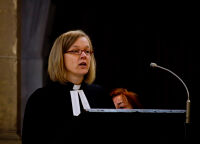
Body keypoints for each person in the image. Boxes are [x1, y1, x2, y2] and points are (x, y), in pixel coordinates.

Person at [22, 30, 115, 144]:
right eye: (76, 51)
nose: (83, 56)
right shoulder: (41, 98)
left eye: (87, 51)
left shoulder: (100, 95)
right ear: (60, 56)